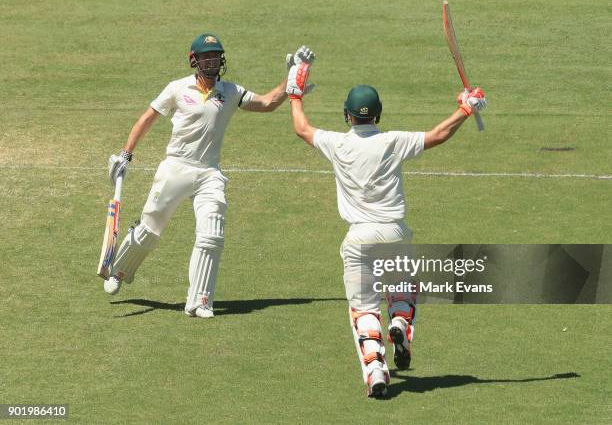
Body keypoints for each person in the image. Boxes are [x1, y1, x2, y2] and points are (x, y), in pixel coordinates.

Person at [286, 60, 486, 397]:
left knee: (363, 309)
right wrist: (466, 108)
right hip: (394, 233)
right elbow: (438, 135)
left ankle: (376, 372)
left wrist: (295, 92)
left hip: (358, 237)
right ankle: (399, 323)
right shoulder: (392, 141)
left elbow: (302, 128)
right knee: (404, 292)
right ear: (377, 115)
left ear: (347, 115)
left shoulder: (337, 144)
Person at [104, 33, 315, 319]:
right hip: (175, 168)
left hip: (209, 173)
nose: (213, 60)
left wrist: (293, 75)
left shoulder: (230, 91)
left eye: (216, 55)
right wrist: (126, 155)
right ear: (195, 60)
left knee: (211, 234)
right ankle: (120, 269)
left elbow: (266, 103)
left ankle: (200, 300)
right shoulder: (177, 89)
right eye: (207, 56)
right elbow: (146, 119)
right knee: (150, 230)